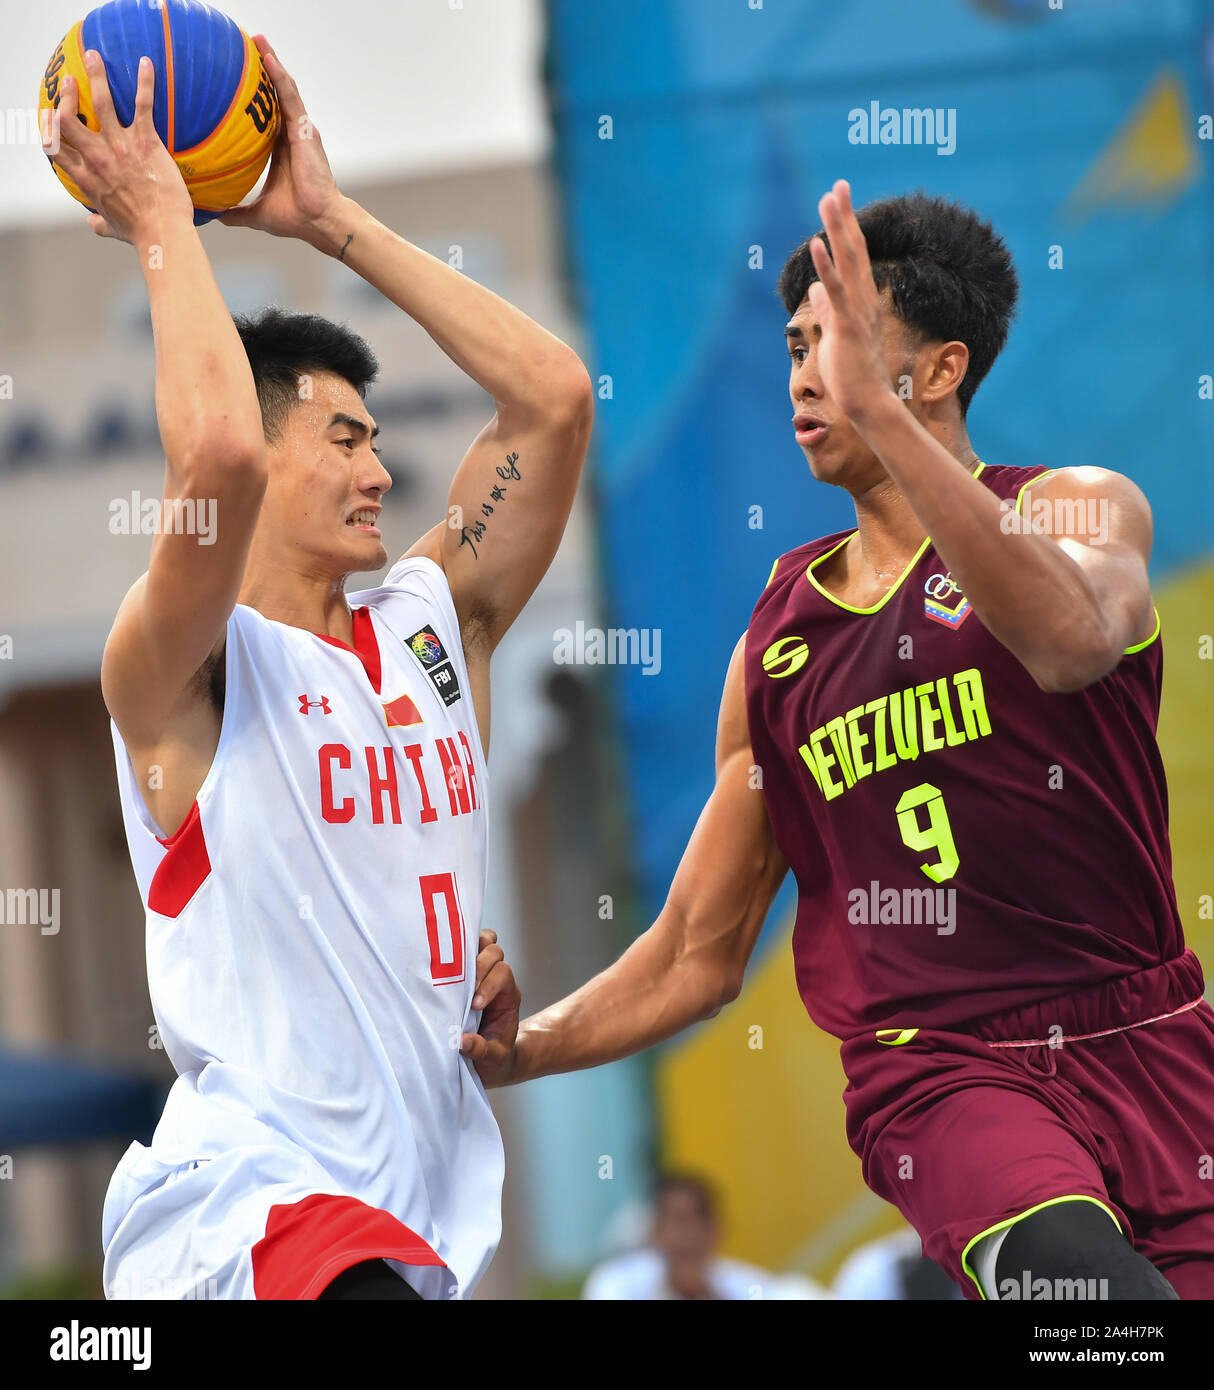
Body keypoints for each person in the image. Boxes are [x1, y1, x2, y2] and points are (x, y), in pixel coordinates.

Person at [471, 180, 1214, 1300]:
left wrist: (887, 420)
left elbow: (1066, 644)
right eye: (795, 344)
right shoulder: (779, 641)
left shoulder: (1074, 506)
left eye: (840, 343)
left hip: (1152, 1035)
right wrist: (524, 1049)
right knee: (1103, 1305)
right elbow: (693, 953)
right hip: (945, 1073)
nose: (806, 375)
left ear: (942, 369)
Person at [50, 39, 590, 1299]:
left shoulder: (429, 622)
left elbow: (552, 399)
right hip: (239, 1214)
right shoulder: (185, 666)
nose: (379, 472)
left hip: (412, 1220)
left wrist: (333, 221)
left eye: (378, 440)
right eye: (344, 437)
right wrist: (158, 218)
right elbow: (222, 457)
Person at [582, 1174, 826, 1300]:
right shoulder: (619, 1284)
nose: (684, 1238)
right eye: (674, 1222)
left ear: (716, 1230)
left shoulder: (741, 1283)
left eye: (692, 1222)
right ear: (654, 1231)